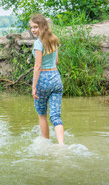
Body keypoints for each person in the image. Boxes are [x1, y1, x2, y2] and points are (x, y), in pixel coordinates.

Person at [30, 14, 64, 145]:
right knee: (55, 116)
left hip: (43, 80)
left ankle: (46, 143)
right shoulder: (54, 39)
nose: (33, 30)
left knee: (42, 115)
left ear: (42, 27)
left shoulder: (38, 43)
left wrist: (34, 86)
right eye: (31, 27)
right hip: (56, 78)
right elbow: (56, 61)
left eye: (35, 27)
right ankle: (62, 145)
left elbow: (37, 66)